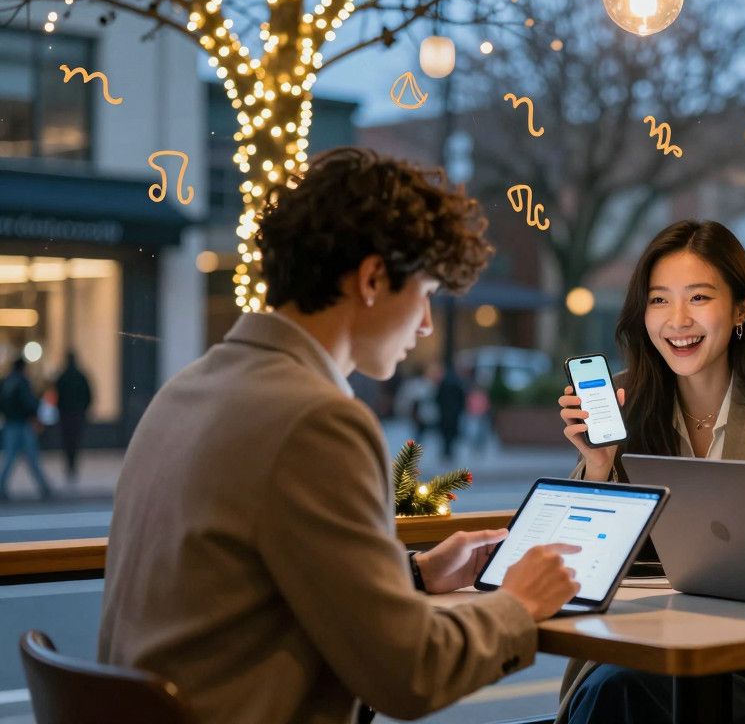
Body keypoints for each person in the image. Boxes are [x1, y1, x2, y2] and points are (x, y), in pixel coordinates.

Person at [98, 148, 582, 724]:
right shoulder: (317, 419)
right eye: (425, 294)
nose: (426, 324)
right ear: (373, 278)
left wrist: (415, 577)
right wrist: (518, 604)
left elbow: (259, 597)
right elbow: (408, 675)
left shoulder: (186, 390)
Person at [556, 220, 745, 724]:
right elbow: (581, 566)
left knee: (638, 694)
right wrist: (599, 467)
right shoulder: (623, 403)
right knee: (623, 687)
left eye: (699, 298)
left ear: (741, 308)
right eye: (660, 300)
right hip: (634, 643)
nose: (678, 321)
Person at [0, 357, 52, 501]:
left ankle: (1, 487)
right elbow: (29, 402)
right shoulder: (22, 382)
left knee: (9, 457)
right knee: (32, 457)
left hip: (10, 423)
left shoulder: (6, 382)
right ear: (23, 368)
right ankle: (44, 487)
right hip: (23, 424)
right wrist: (36, 413)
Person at [54, 351, 93, 483]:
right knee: (75, 441)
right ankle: (72, 466)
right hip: (77, 414)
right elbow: (88, 395)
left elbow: (56, 396)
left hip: (66, 414)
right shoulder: (80, 376)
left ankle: (70, 466)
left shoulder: (62, 376)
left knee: (67, 442)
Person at [435, 364, 467, 460]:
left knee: (445, 433)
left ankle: (446, 451)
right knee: (451, 433)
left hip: (444, 412)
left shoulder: (443, 383)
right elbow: (461, 398)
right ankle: (449, 451)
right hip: (454, 412)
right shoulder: (457, 382)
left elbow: (438, 397)